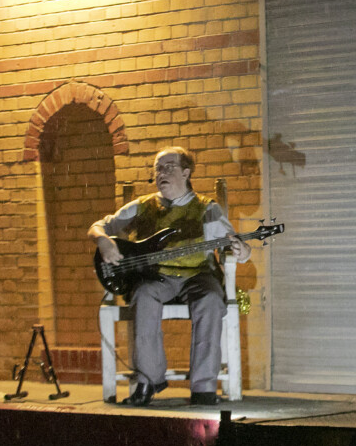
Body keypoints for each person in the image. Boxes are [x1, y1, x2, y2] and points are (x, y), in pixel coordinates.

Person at [88, 146, 251, 406]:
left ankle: (204, 388)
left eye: (169, 167)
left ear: (186, 172)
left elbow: (232, 245)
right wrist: (103, 241)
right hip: (157, 278)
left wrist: (243, 251)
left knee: (210, 300)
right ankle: (147, 382)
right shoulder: (141, 206)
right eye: (158, 168)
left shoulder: (206, 208)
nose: (161, 173)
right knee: (142, 295)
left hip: (197, 275)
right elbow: (98, 226)